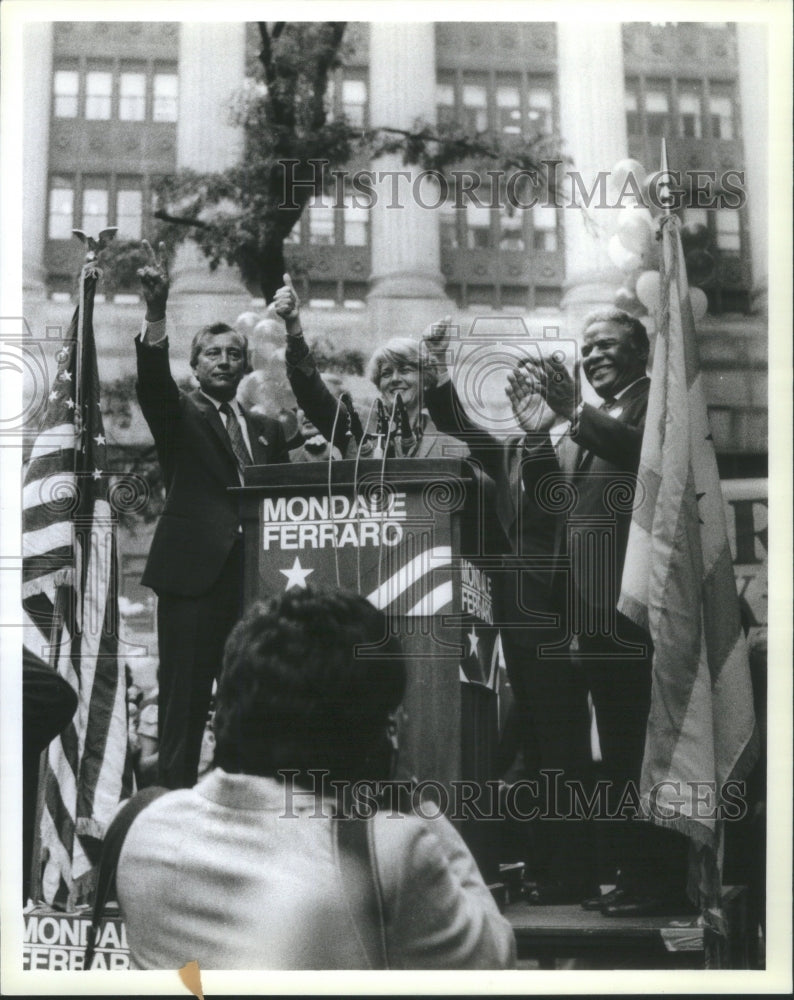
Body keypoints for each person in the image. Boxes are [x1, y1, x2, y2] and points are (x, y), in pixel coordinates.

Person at [115, 588, 516, 970]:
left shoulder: (147, 826)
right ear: (375, 728)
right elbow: (494, 957)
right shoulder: (388, 851)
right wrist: (406, 785)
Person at [501, 309, 690, 917]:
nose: (594, 355)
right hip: (590, 615)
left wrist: (576, 416)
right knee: (615, 749)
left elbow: (648, 460)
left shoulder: (651, 408)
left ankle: (658, 883)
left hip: (633, 611)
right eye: (587, 348)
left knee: (637, 748)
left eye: (608, 344)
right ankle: (633, 877)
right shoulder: (591, 423)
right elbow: (554, 509)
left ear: (640, 353)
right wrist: (539, 434)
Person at [421, 319, 594, 906]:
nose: (525, 395)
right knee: (539, 749)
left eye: (540, 384)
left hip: (558, 619)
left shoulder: (573, 442)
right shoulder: (516, 448)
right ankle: (551, 868)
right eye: (520, 384)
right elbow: (459, 426)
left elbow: (556, 502)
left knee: (564, 750)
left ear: (562, 391)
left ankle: (577, 873)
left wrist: (542, 436)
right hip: (519, 622)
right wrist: (439, 365)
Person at [134, 240, 290, 790]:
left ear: (245, 363)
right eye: (211, 354)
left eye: (232, 354)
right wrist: (156, 314)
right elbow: (152, 385)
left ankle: (236, 801)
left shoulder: (266, 429)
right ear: (195, 367)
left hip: (257, 579)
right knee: (184, 699)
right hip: (195, 582)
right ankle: (173, 807)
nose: (224, 361)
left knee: (249, 698)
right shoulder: (181, 415)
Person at [271, 275, 467, 460]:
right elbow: (312, 396)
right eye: (386, 373)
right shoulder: (355, 424)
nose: (395, 378)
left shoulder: (453, 446)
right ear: (378, 383)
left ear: (425, 380)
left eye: (405, 370)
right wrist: (293, 325)